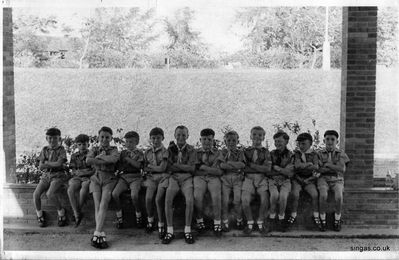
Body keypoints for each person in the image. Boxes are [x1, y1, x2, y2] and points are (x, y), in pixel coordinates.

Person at [162, 125, 196, 244]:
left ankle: (187, 229)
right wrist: (183, 167)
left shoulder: (192, 149)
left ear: (188, 136)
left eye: (183, 135)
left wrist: (177, 166)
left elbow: (192, 169)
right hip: (174, 178)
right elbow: (168, 166)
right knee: (168, 199)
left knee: (190, 200)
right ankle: (170, 230)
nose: (181, 137)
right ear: (174, 136)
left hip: (187, 178)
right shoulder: (170, 149)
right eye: (178, 135)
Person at [86, 126, 119, 249]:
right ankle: (101, 234)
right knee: (97, 204)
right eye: (102, 137)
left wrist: (99, 158)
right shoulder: (94, 149)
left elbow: (114, 159)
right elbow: (88, 160)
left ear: (111, 138)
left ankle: (97, 234)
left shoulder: (114, 149)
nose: (104, 139)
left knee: (104, 203)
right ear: (98, 137)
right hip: (96, 178)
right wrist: (104, 160)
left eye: (107, 137)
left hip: (109, 179)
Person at [33, 127, 68, 227]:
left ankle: (61, 212)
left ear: (59, 139)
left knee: (50, 194)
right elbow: (40, 166)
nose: (52, 140)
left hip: (58, 175)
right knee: (36, 194)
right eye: (50, 138)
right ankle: (40, 215)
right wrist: (51, 164)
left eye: (55, 138)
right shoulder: (45, 149)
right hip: (46, 176)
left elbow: (59, 164)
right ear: (46, 139)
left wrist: (47, 163)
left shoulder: (61, 149)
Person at [317, 130, 350, 232]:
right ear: (324, 140)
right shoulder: (319, 153)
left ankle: (337, 220)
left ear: (337, 141)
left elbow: (342, 169)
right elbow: (318, 169)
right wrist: (334, 167)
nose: (330, 142)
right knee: (323, 195)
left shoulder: (341, 154)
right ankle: (322, 220)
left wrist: (327, 165)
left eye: (332, 139)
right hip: (323, 179)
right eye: (327, 139)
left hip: (337, 179)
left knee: (339, 197)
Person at [242, 126, 272, 235]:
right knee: (244, 200)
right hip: (248, 178)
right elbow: (243, 167)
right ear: (250, 136)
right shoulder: (245, 151)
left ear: (263, 137)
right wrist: (258, 167)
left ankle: (260, 221)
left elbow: (267, 169)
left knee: (265, 199)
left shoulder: (266, 152)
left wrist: (251, 165)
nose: (257, 137)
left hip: (261, 178)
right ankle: (249, 222)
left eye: (260, 135)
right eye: (254, 134)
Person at [288, 132, 321, 231]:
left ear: (310, 143)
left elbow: (316, 167)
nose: (301, 146)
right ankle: (293, 215)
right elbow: (296, 166)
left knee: (315, 194)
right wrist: (308, 165)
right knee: (295, 194)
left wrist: (308, 176)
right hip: (297, 179)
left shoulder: (314, 154)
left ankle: (316, 216)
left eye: (304, 144)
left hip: (309, 180)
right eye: (299, 144)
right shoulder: (296, 154)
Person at [193, 128, 223, 236]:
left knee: (216, 196)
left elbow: (219, 171)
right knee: (197, 196)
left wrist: (204, 167)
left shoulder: (218, 153)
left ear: (213, 140)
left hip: (213, 178)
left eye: (209, 139)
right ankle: (200, 221)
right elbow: (194, 170)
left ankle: (217, 222)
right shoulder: (195, 153)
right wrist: (210, 170)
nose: (207, 142)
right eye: (204, 139)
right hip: (199, 177)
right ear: (200, 140)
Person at [112, 131, 144, 229]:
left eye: (131, 142)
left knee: (134, 195)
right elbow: (119, 166)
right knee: (115, 194)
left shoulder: (140, 153)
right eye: (127, 142)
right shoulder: (123, 153)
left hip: (136, 177)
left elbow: (139, 165)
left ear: (136, 142)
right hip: (124, 177)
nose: (128, 144)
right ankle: (119, 217)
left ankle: (138, 215)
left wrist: (129, 160)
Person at [142, 127, 169, 236]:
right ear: (150, 139)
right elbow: (144, 167)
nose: (156, 140)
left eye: (158, 138)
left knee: (158, 199)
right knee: (148, 198)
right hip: (151, 179)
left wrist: (150, 167)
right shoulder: (147, 152)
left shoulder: (165, 152)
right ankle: (150, 220)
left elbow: (162, 168)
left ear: (163, 138)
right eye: (153, 138)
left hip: (162, 178)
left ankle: (161, 223)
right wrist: (150, 168)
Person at [268, 130, 294, 232]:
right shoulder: (270, 154)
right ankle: (271, 218)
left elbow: (290, 173)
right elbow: (268, 171)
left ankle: (281, 219)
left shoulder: (291, 155)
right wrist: (283, 171)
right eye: (275, 141)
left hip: (285, 181)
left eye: (280, 141)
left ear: (286, 142)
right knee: (274, 195)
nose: (277, 144)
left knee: (283, 197)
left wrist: (278, 169)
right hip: (273, 179)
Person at [219, 130, 246, 232]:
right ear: (225, 142)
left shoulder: (240, 152)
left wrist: (229, 164)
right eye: (228, 140)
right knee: (225, 201)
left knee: (237, 201)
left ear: (237, 141)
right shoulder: (223, 152)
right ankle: (225, 222)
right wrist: (235, 165)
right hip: (225, 179)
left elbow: (242, 165)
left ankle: (239, 220)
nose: (231, 142)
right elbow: (221, 165)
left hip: (237, 179)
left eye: (233, 140)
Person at [67, 134, 94, 227]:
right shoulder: (74, 156)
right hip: (77, 178)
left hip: (88, 177)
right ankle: (76, 212)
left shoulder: (91, 154)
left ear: (88, 144)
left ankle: (77, 213)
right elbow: (73, 170)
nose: (82, 146)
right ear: (77, 145)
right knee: (70, 190)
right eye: (79, 144)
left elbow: (94, 170)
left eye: (84, 144)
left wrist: (82, 172)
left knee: (84, 188)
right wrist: (80, 172)